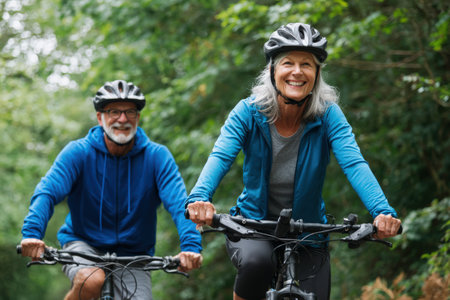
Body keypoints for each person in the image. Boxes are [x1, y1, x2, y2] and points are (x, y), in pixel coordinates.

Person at [185, 23, 402, 300]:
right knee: (257, 263)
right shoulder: (248, 112)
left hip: (309, 230)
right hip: (253, 227)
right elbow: (221, 156)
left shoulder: (328, 116)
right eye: (288, 62)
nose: (297, 71)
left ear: (317, 74)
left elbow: (354, 163)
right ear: (273, 70)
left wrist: (382, 212)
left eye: (307, 64)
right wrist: (199, 199)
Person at [20, 80, 203, 300]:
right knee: (91, 279)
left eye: (130, 112)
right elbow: (47, 193)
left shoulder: (157, 156)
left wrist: (190, 247)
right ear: (100, 117)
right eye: (114, 111)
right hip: (83, 244)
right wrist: (32, 235)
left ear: (138, 117)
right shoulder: (78, 152)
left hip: (135, 253)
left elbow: (179, 204)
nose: (123, 119)